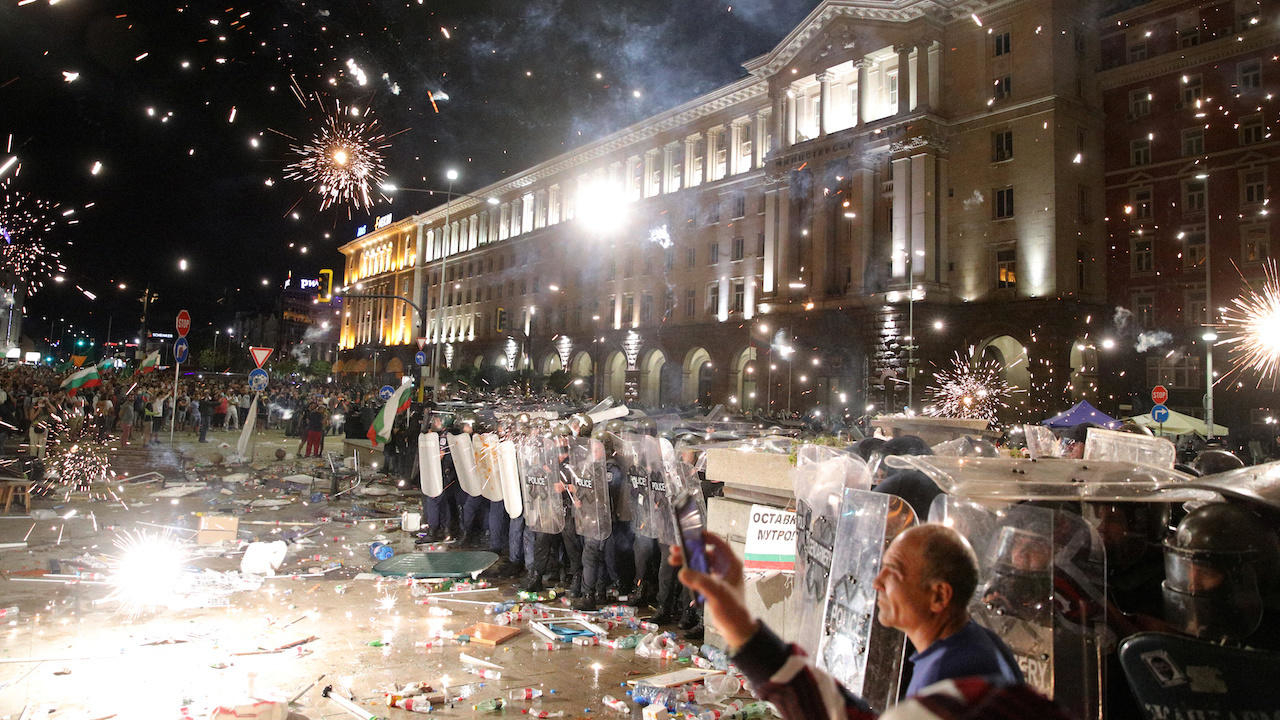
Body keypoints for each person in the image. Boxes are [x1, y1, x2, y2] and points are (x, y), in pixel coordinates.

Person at [671, 524, 1029, 719]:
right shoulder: (965, 645)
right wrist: (739, 622)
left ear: (939, 596)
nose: (877, 582)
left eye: (894, 572)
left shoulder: (953, 680)